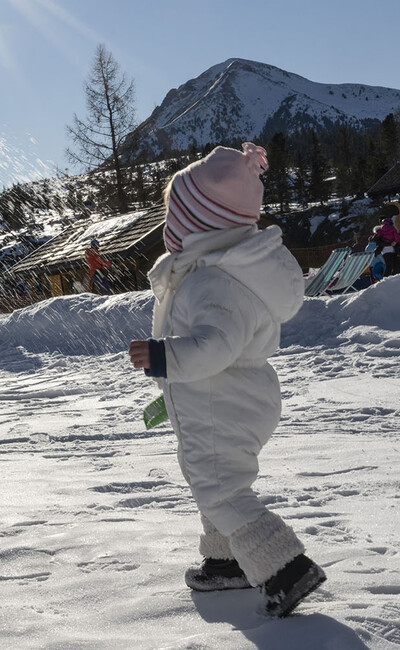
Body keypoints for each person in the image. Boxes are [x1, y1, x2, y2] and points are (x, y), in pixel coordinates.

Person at [126, 143, 325, 618]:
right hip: (226, 399)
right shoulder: (213, 274)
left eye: (174, 219)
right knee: (210, 480)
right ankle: (225, 561)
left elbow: (215, 346)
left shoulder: (212, 283)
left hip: (225, 401)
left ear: (198, 225)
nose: (168, 230)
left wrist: (161, 357)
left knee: (222, 489)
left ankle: (286, 569)